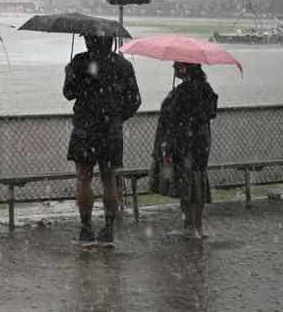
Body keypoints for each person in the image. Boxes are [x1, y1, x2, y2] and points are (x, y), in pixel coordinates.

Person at [62, 33, 141, 247]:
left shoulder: (79, 62)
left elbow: (68, 93)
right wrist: (116, 117)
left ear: (88, 41)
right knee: (110, 181)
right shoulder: (123, 65)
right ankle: (108, 229)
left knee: (83, 178)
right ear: (111, 41)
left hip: (84, 130)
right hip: (111, 132)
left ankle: (86, 228)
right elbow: (135, 100)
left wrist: (71, 74)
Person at [149, 62, 218, 238]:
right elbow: (205, 113)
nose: (173, 68)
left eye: (176, 66)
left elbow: (174, 118)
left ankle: (190, 225)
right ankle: (197, 225)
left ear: (184, 69)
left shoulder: (184, 91)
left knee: (187, 183)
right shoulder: (205, 89)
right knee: (197, 180)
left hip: (184, 143)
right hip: (200, 143)